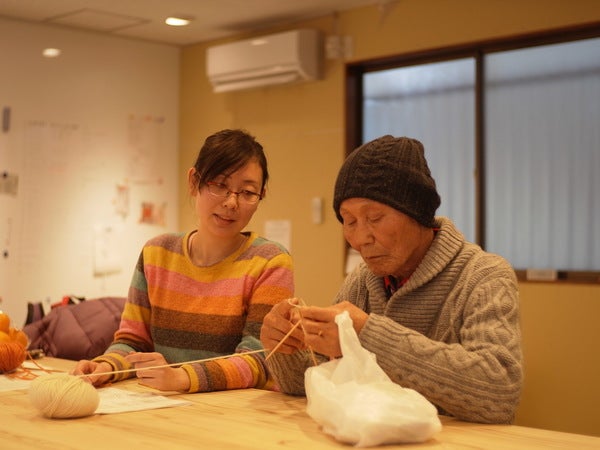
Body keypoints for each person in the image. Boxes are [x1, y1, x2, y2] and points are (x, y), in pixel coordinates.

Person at [260, 135, 522, 424]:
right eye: (349, 221)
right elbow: (314, 381)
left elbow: (499, 394)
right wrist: (283, 346)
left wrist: (369, 336)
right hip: (371, 438)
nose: (360, 238)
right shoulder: (362, 281)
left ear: (417, 213)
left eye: (375, 217)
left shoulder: (483, 275)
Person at [73, 129, 294, 392]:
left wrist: (182, 378)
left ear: (261, 195)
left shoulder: (270, 262)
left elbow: (258, 359)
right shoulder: (157, 253)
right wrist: (107, 366)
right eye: (220, 185)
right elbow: (133, 342)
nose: (232, 202)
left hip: (235, 411)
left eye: (247, 192)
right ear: (193, 182)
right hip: (169, 406)